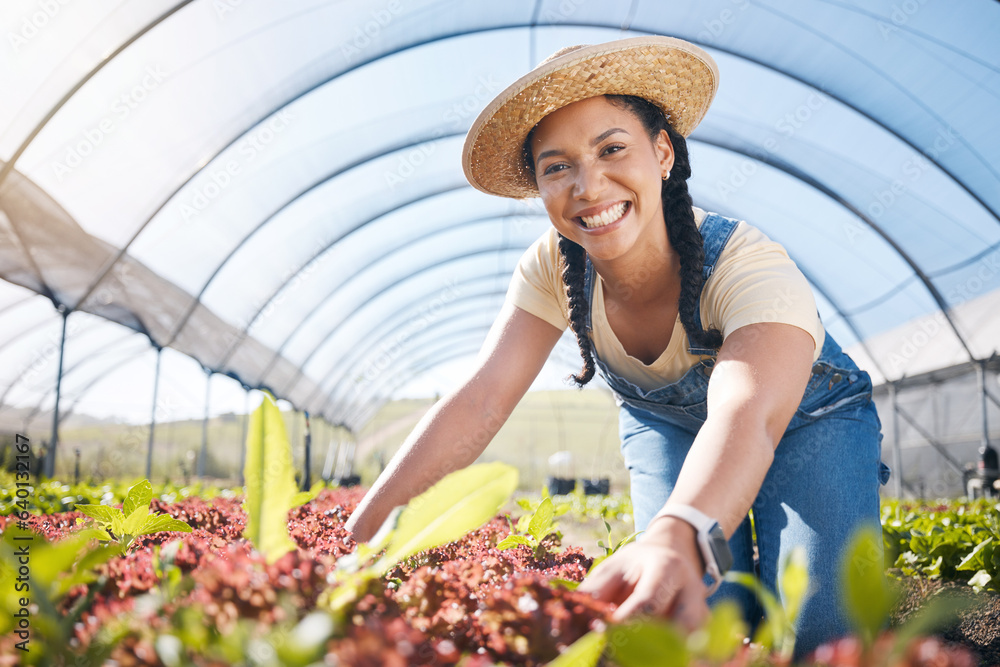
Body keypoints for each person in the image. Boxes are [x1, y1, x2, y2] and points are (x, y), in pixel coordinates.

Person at [345, 35, 891, 658]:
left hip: (805, 419)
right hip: (666, 425)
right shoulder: (552, 268)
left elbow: (749, 415)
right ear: (540, 188)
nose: (588, 184)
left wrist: (681, 531)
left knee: (822, 636)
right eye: (557, 166)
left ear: (662, 153)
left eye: (612, 149)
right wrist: (357, 539)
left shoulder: (747, 264)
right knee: (686, 628)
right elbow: (481, 401)